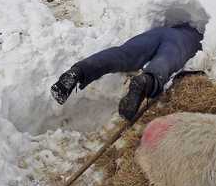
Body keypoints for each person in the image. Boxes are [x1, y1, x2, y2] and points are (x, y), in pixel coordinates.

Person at [51, 24, 203, 120]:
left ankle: (78, 71)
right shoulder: (202, 36)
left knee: (124, 53)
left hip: (160, 32)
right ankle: (146, 81)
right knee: (163, 62)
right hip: (183, 41)